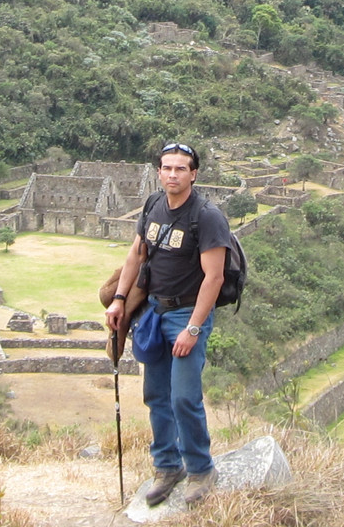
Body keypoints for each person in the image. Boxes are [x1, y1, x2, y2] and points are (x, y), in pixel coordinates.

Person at [105, 142, 230, 507]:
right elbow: (136, 255)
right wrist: (120, 301)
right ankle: (166, 466)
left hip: (186, 314)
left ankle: (201, 469)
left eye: (181, 168)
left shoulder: (206, 217)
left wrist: (193, 329)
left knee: (184, 397)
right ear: (159, 172)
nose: (172, 174)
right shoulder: (153, 206)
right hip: (154, 313)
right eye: (166, 168)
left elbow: (214, 278)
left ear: (194, 173)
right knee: (156, 395)